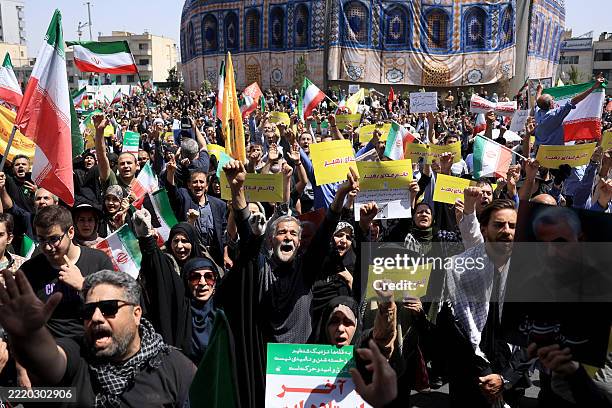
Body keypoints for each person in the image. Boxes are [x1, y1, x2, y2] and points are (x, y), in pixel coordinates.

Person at [0, 269, 195, 407]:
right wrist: (30, 335)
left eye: (109, 308)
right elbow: (49, 360)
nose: (95, 318)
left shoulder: (176, 367)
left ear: (136, 314)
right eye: (88, 310)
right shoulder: (78, 353)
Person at [441, 199, 529, 407]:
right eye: (498, 225)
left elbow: (534, 332)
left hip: (511, 377)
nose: (506, 231)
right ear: (484, 228)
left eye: (512, 225)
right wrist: (486, 373)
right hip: (470, 377)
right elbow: (456, 327)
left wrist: (505, 378)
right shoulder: (459, 268)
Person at [20, 205, 114, 338]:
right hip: (50, 348)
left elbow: (112, 306)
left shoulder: (98, 260)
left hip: (92, 341)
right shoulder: (30, 269)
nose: (47, 247)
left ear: (70, 232)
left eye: (54, 239)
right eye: (41, 239)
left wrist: (83, 286)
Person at [166, 157, 227, 267]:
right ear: (189, 185)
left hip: (215, 255)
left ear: (207, 186)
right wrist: (171, 173)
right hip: (192, 253)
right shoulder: (184, 196)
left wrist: (225, 255)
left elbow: (223, 233)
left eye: (201, 182)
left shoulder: (219, 205)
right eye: (195, 182)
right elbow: (172, 192)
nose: (198, 185)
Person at [534, 74, 605, 145]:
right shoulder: (555, 115)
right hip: (553, 151)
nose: (554, 100)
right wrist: (593, 88)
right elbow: (574, 101)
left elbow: (538, 100)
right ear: (551, 104)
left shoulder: (538, 112)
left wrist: (539, 90)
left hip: (539, 151)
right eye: (552, 99)